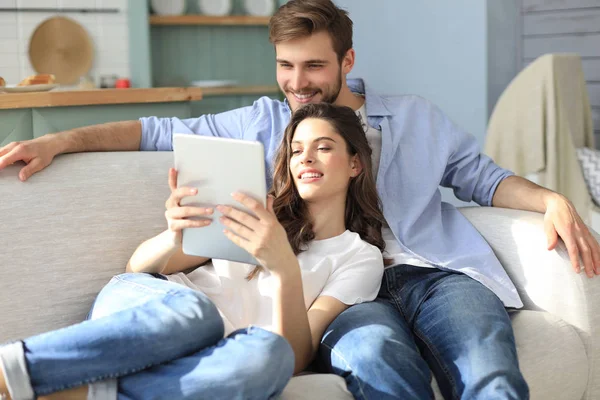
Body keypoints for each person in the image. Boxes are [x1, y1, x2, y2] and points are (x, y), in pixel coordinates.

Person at [0, 0, 599, 398]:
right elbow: (151, 132)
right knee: (377, 355)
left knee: (486, 361)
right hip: (343, 293)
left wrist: (552, 200)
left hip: (432, 272)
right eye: (285, 66)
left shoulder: (416, 117)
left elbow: (483, 178)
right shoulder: (263, 125)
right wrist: (59, 140)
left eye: (313, 66)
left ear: (347, 62)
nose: (296, 82)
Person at [0, 103, 385, 400]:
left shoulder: (359, 257)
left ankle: (90, 393)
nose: (306, 158)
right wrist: (174, 235)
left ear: (354, 164)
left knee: (273, 357)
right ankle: (12, 369)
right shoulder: (259, 208)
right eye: (297, 149)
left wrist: (284, 267)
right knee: (198, 313)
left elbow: (299, 354)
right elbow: (138, 268)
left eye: (323, 147)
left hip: (208, 358)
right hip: (151, 315)